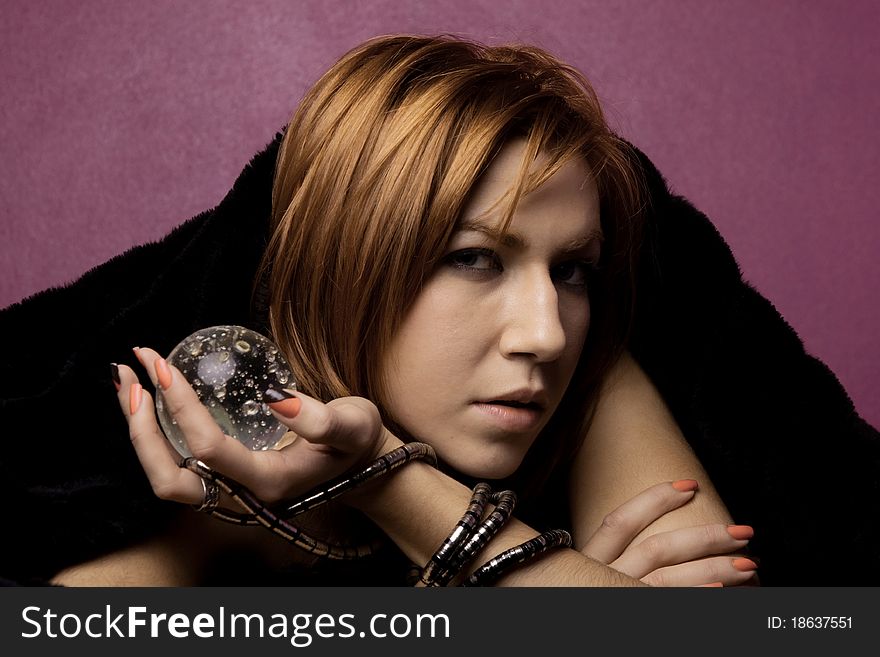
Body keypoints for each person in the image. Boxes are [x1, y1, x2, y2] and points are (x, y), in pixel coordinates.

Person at [2, 35, 877, 587]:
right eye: (473, 258)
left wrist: (387, 475)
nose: (544, 333)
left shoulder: (588, 364)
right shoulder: (168, 551)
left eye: (574, 270)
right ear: (349, 266)